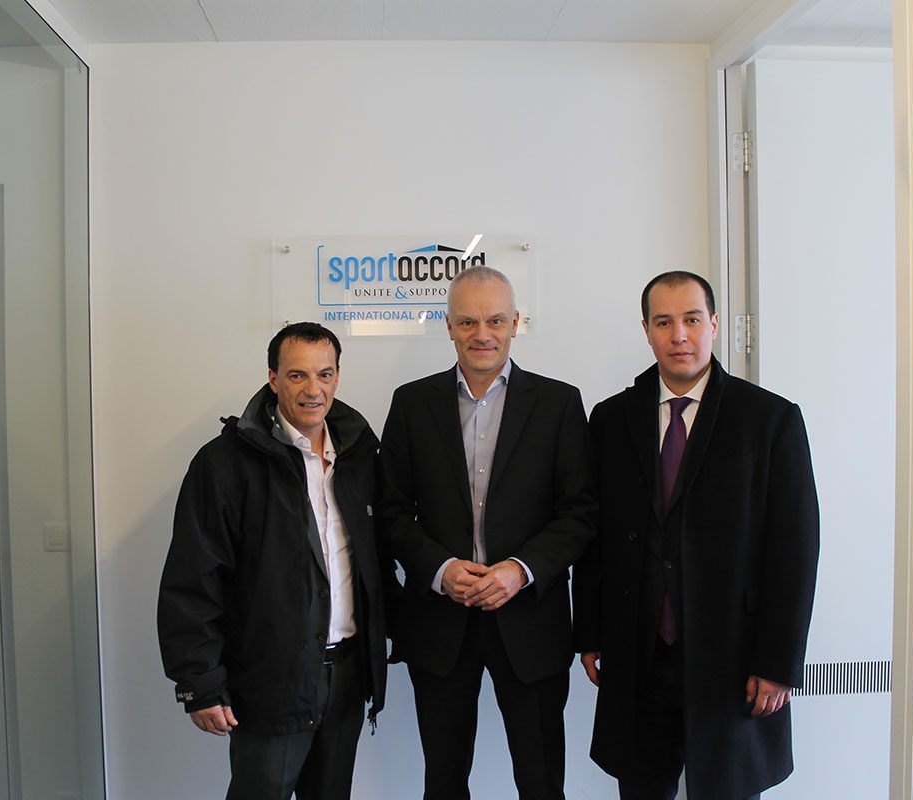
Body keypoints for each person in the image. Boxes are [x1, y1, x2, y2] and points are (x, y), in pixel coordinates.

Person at [573, 271, 820, 800]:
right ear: (646, 330)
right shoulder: (611, 419)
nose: (679, 335)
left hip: (734, 658)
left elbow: (795, 550)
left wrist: (778, 663)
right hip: (638, 657)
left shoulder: (769, 419)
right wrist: (589, 632)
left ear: (714, 324)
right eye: (664, 322)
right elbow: (595, 536)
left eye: (691, 319)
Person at [379, 265, 595, 800]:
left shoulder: (559, 404)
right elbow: (389, 511)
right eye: (468, 322)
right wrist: (439, 569)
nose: (482, 334)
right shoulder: (412, 403)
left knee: (541, 784)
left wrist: (520, 571)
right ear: (448, 326)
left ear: (515, 323)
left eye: (495, 320)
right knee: (443, 782)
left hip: (530, 622)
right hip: (440, 624)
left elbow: (580, 513)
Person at [157, 322, 390, 800]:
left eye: (324, 374)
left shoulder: (360, 455)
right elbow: (194, 577)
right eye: (297, 375)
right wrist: (199, 682)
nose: (313, 389)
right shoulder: (225, 463)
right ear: (273, 379)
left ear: (338, 377)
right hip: (270, 679)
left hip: (347, 675)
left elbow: (378, 558)